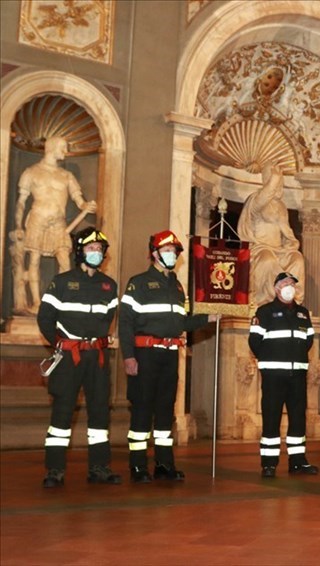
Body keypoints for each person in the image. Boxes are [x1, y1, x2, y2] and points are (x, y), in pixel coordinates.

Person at [119, 230, 219, 483]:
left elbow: (181, 322)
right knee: (142, 409)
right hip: (145, 355)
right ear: (154, 254)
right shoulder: (138, 283)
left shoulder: (177, 286)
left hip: (170, 355)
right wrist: (128, 356)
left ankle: (164, 464)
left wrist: (207, 318)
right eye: (166, 251)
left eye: (174, 251)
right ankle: (138, 466)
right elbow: (125, 323)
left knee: (166, 410)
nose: (171, 255)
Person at [36, 227, 120, 488]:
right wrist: (60, 344)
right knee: (62, 412)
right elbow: (45, 319)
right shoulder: (61, 282)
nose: (96, 253)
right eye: (91, 248)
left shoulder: (109, 285)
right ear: (80, 252)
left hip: (98, 358)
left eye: (99, 249)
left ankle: (99, 468)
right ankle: (55, 470)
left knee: (100, 412)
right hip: (68, 357)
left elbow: (108, 319)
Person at [13, 136, 97, 315]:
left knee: (65, 261)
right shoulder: (31, 172)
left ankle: (60, 300)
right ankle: (36, 303)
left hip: (58, 223)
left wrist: (86, 206)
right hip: (37, 219)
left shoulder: (67, 176)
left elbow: (79, 200)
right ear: (51, 148)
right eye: (63, 148)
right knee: (34, 260)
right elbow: (21, 202)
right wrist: (19, 225)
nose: (65, 152)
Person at [249, 271, 318, 478]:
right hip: (273, 376)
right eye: (286, 283)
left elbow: (308, 341)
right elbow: (254, 342)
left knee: (298, 419)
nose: (290, 287)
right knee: (271, 418)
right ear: (277, 288)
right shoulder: (265, 312)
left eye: (292, 284)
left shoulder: (303, 313)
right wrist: (270, 361)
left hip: (297, 375)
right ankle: (269, 464)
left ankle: (298, 461)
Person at [237, 162, 305, 306]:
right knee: (268, 260)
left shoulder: (281, 206)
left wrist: (292, 244)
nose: (279, 185)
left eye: (280, 182)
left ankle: (293, 300)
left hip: (280, 251)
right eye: (276, 181)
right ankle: (267, 301)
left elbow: (286, 232)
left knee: (297, 259)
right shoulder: (254, 200)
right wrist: (274, 179)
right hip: (260, 249)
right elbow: (262, 200)